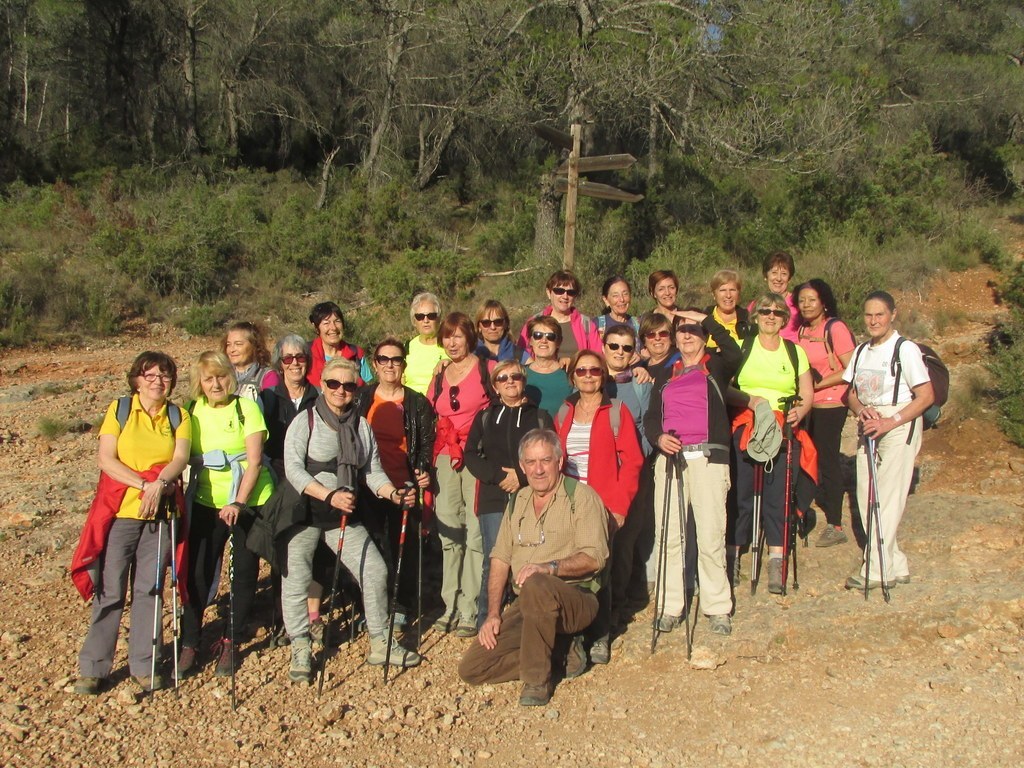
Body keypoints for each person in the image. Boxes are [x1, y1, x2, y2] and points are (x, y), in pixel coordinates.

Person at [281, 358, 421, 683]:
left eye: (348, 385)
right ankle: (300, 646)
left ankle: (380, 642)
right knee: (297, 579)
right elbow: (293, 470)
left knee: (374, 569)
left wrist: (394, 495)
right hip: (303, 511)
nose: (341, 390)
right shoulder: (307, 421)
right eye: (334, 384)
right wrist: (328, 495)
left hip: (341, 513)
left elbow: (372, 472)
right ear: (323, 385)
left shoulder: (361, 426)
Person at [458, 429, 610, 707]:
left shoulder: (582, 498)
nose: (538, 470)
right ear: (522, 466)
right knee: (473, 668)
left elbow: (594, 557)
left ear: (559, 462)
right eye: (530, 462)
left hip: (576, 600)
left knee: (538, 583)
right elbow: (500, 558)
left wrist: (550, 567)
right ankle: (560, 653)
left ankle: (537, 681)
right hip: (527, 603)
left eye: (545, 461)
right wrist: (493, 614)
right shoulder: (518, 500)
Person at [72, 352, 191, 694]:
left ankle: (145, 664)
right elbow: (106, 459)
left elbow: (180, 457)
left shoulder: (177, 414)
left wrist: (161, 483)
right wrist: (144, 486)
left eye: (165, 375)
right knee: (110, 589)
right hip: (121, 511)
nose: (158, 381)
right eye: (150, 375)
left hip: (160, 513)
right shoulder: (120, 409)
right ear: (137, 379)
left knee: (150, 590)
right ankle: (94, 667)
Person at [179, 352, 274, 678]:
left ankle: (231, 640)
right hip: (206, 501)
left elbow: (255, 460)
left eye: (221, 376)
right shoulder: (191, 411)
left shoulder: (245, 408)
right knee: (196, 573)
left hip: (247, 501)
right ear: (199, 383)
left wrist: (237, 502)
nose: (216, 383)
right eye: (209, 379)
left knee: (243, 572)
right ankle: (190, 641)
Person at [645, 311, 740, 636]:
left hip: (708, 459)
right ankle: (671, 605)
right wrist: (658, 438)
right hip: (671, 460)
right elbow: (651, 417)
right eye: (681, 330)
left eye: (693, 330)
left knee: (711, 534)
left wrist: (705, 318)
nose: (686, 335)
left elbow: (735, 351)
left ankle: (717, 607)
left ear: (704, 334)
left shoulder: (716, 366)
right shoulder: (666, 373)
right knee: (669, 536)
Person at [553, 350, 643, 664]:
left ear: (602, 375)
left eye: (594, 370)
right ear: (572, 376)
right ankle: (575, 634)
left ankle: (601, 634)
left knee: (600, 570)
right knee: (571, 569)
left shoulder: (617, 411)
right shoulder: (565, 412)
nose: (588, 376)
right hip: (569, 502)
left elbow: (633, 462)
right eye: (582, 371)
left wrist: (619, 507)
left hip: (603, 503)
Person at [843, 291, 934, 590]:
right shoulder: (861, 351)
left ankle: (877, 570)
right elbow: (850, 393)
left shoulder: (905, 350)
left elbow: (925, 396)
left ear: (892, 315)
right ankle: (895, 562)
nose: (873, 320)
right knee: (866, 493)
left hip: (898, 424)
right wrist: (861, 410)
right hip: (869, 426)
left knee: (888, 497)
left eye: (879, 314)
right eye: (869, 315)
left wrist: (890, 421)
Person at [728, 293, 816, 594]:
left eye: (777, 313)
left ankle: (777, 557)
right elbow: (726, 385)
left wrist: (799, 411)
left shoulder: (794, 352)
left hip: (783, 427)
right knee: (741, 493)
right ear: (756, 315)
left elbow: (806, 391)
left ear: (784, 319)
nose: (770, 316)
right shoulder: (743, 347)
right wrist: (750, 401)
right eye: (765, 311)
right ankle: (734, 554)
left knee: (778, 492)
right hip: (747, 424)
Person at [464, 360, 550, 628]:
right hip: (493, 498)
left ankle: (526, 623)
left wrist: (521, 476)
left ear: (523, 381)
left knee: (531, 559)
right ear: (495, 386)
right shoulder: (486, 417)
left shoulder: (540, 417)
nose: (510, 381)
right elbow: (470, 455)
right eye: (503, 378)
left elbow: (551, 456)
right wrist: (500, 477)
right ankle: (486, 623)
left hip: (532, 496)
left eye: (515, 376)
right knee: (495, 560)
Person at [356, 337, 435, 628]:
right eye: (384, 359)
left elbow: (426, 443)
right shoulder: (362, 398)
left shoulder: (416, 402)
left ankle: (401, 604)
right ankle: (373, 605)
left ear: (404, 364)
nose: (391, 365)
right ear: (375, 364)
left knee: (403, 548)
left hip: (404, 485)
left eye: (397, 359)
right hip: (369, 484)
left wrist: (423, 469)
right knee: (373, 546)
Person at [431, 312, 496, 636]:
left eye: (458, 336)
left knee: (474, 534)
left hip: (475, 455)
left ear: (469, 337)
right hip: (445, 457)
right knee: (448, 532)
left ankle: (469, 607)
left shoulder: (487, 369)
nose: (452, 342)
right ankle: (449, 604)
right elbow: (433, 411)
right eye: (447, 336)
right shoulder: (440, 373)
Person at [257, 335, 320, 646]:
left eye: (300, 357)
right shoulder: (267, 399)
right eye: (288, 358)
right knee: (282, 553)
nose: (295, 363)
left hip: (314, 482)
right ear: (278, 364)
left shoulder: (320, 396)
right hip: (280, 483)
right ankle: (283, 618)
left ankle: (313, 615)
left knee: (314, 550)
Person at [601, 323, 655, 640]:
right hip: (598, 474)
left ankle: (616, 606)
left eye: (626, 347)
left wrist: (631, 457)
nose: (619, 353)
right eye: (613, 346)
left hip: (633, 473)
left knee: (625, 542)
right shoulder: (592, 378)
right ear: (604, 346)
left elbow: (649, 426)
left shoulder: (640, 384)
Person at [796, 279, 857, 548]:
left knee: (828, 459)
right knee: (808, 456)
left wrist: (818, 384)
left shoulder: (836, 328)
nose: (806, 305)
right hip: (808, 402)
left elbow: (851, 367)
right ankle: (802, 511)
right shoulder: (802, 330)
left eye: (812, 299)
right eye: (802, 300)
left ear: (824, 301)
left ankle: (835, 523)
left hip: (831, 402)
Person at [517, 270, 601, 363]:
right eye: (559, 291)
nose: (565, 296)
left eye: (570, 292)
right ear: (549, 293)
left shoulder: (586, 324)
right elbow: (521, 354)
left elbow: (598, 358)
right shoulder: (534, 322)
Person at [306, 301, 373, 387]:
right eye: (326, 323)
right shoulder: (306, 353)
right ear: (316, 328)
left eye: (337, 321)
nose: (333, 327)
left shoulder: (356, 354)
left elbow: (367, 389)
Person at [524, 316, 573, 420]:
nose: (544, 340)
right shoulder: (519, 375)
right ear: (530, 341)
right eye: (538, 335)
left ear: (558, 342)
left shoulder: (569, 374)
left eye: (550, 336)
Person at [748, 252, 800, 342]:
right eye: (774, 273)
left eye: (784, 274)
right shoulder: (755, 305)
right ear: (766, 276)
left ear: (789, 278)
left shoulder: (798, 304)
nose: (778, 278)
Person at [403, 292, 448, 395]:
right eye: (420, 316)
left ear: (439, 318)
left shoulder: (450, 346)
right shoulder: (407, 347)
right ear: (414, 321)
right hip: (411, 407)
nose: (426, 320)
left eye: (431, 316)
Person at [222, 321, 274, 399]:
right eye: (228, 344)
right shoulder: (221, 375)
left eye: (238, 344)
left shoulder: (268, 376)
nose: (231, 350)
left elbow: (269, 409)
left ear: (254, 346)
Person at [704, 269, 750, 350]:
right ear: (714, 294)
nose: (728, 295)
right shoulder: (704, 319)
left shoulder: (748, 321)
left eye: (732, 290)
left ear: (738, 293)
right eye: (722, 290)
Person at [640, 312, 680, 383]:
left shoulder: (681, 359)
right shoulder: (641, 367)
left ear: (671, 337)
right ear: (644, 340)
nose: (657, 338)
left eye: (663, 333)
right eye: (651, 335)